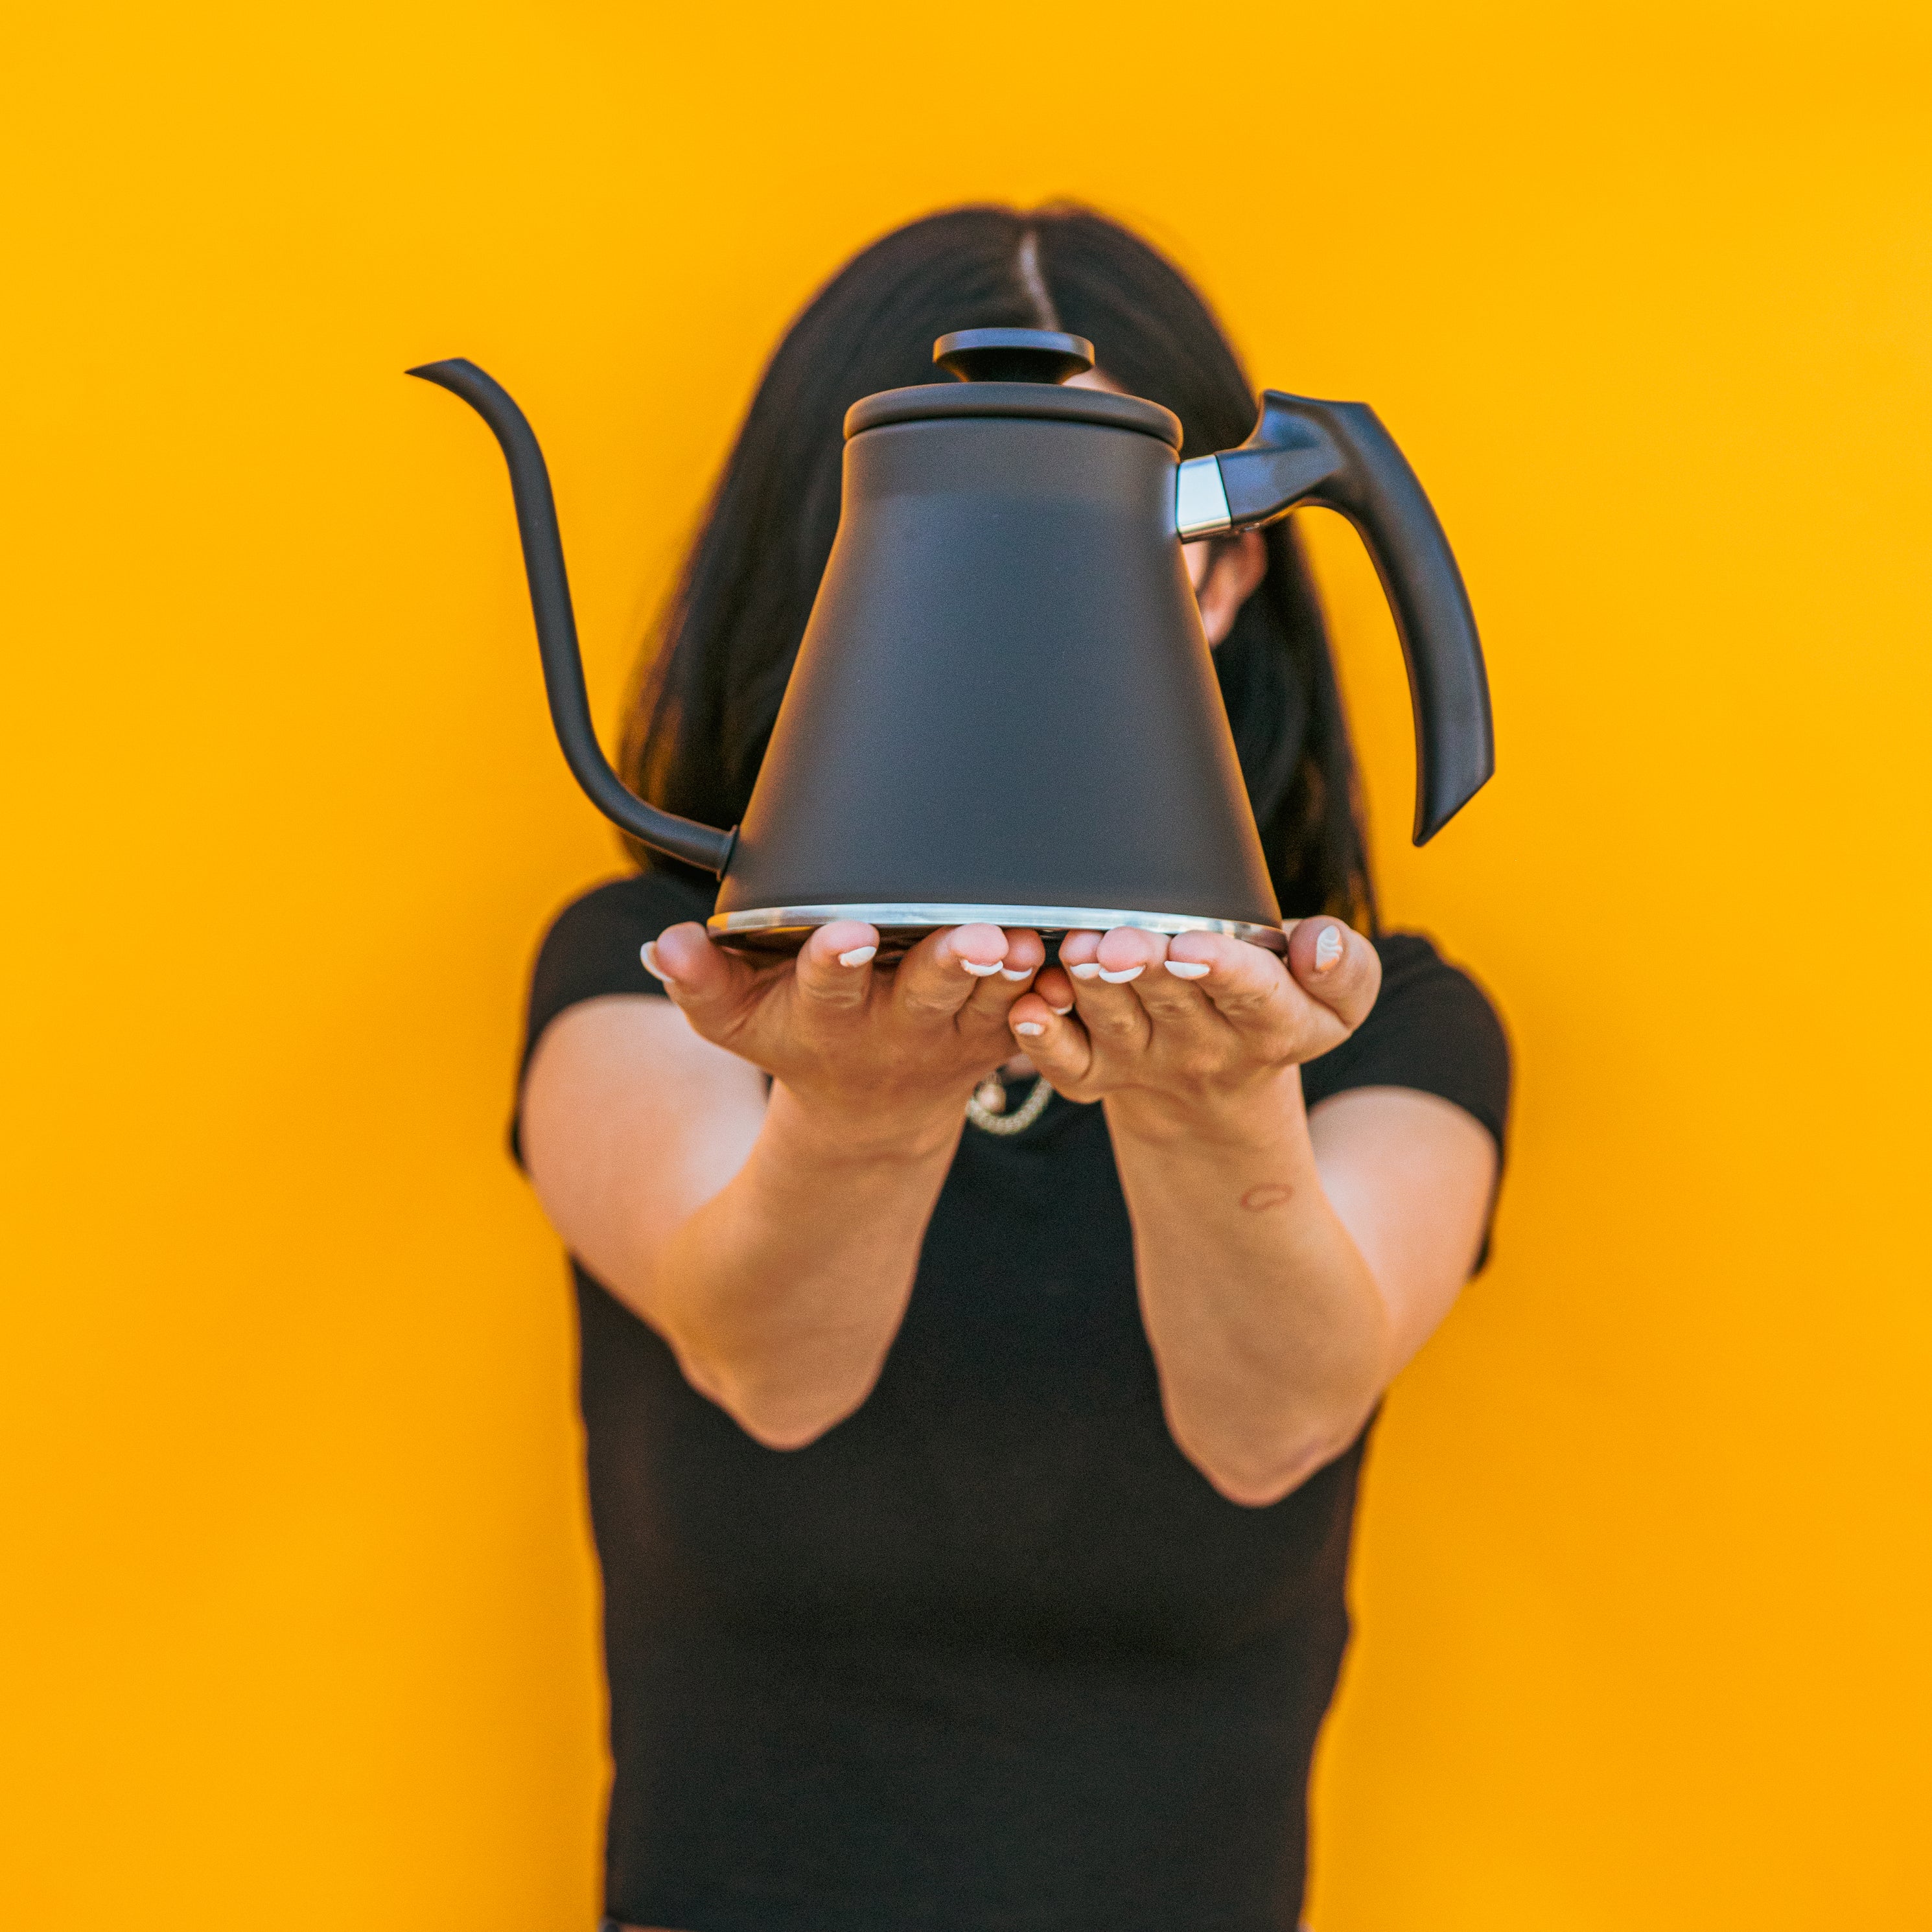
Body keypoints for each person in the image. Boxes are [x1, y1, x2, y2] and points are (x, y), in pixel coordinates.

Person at [514, 204, 1510, 1932]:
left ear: (1225, 564)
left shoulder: (1385, 1036)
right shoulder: (645, 980)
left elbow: (1278, 1420)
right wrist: (859, 1100)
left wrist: (1215, 1105)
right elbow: (769, 1365)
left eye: (1061, 544)